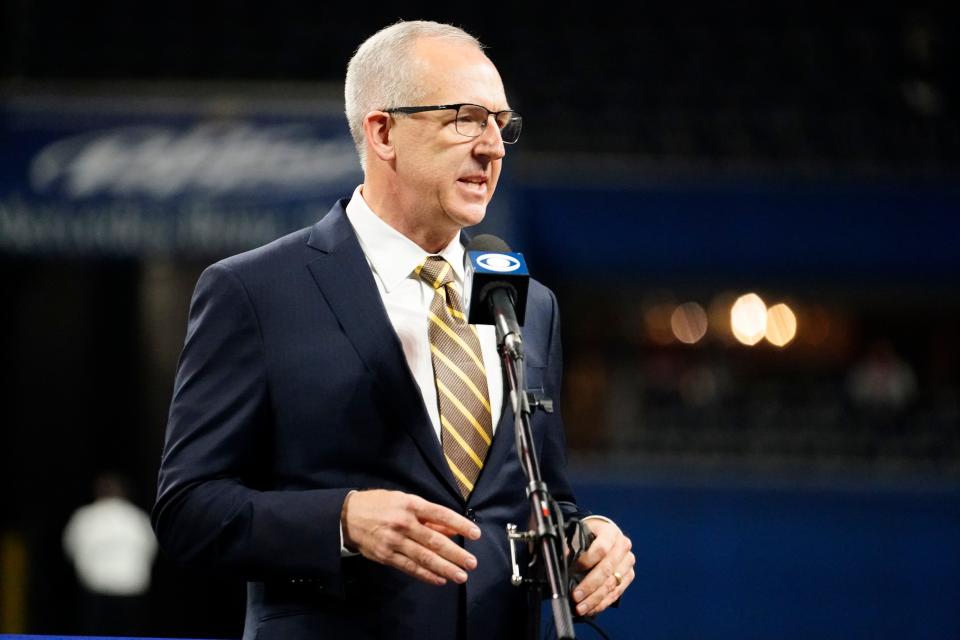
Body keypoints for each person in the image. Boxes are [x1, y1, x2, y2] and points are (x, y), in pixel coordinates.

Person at [153, 20, 634, 639]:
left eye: (501, 123)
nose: (493, 147)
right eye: (466, 118)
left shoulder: (529, 304)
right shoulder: (255, 291)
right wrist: (344, 520)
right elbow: (189, 509)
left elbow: (538, 499)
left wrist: (586, 542)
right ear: (383, 132)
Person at [64, 473, 157, 635]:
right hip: (131, 589)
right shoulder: (138, 518)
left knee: (95, 634)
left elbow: (70, 548)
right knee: (130, 635)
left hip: (97, 590)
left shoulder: (85, 517)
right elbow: (151, 549)